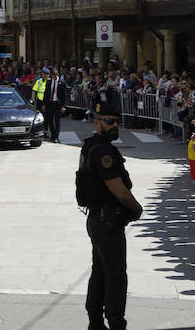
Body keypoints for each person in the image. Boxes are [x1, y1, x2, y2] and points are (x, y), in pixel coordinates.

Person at [79, 103, 143, 330]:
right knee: (115, 275)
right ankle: (116, 323)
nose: (114, 125)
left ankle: (95, 321)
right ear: (97, 123)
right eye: (108, 121)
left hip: (99, 219)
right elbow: (117, 188)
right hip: (106, 220)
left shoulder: (93, 146)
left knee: (100, 271)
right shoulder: (103, 151)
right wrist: (137, 208)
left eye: (116, 121)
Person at [43, 68, 67, 143]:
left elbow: (65, 95)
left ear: (56, 75)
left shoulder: (62, 83)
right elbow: (46, 93)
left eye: (54, 76)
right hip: (50, 103)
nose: (52, 77)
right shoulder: (49, 82)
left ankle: (56, 136)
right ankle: (53, 135)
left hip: (58, 104)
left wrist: (64, 106)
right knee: (50, 120)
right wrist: (44, 104)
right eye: (52, 76)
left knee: (57, 120)